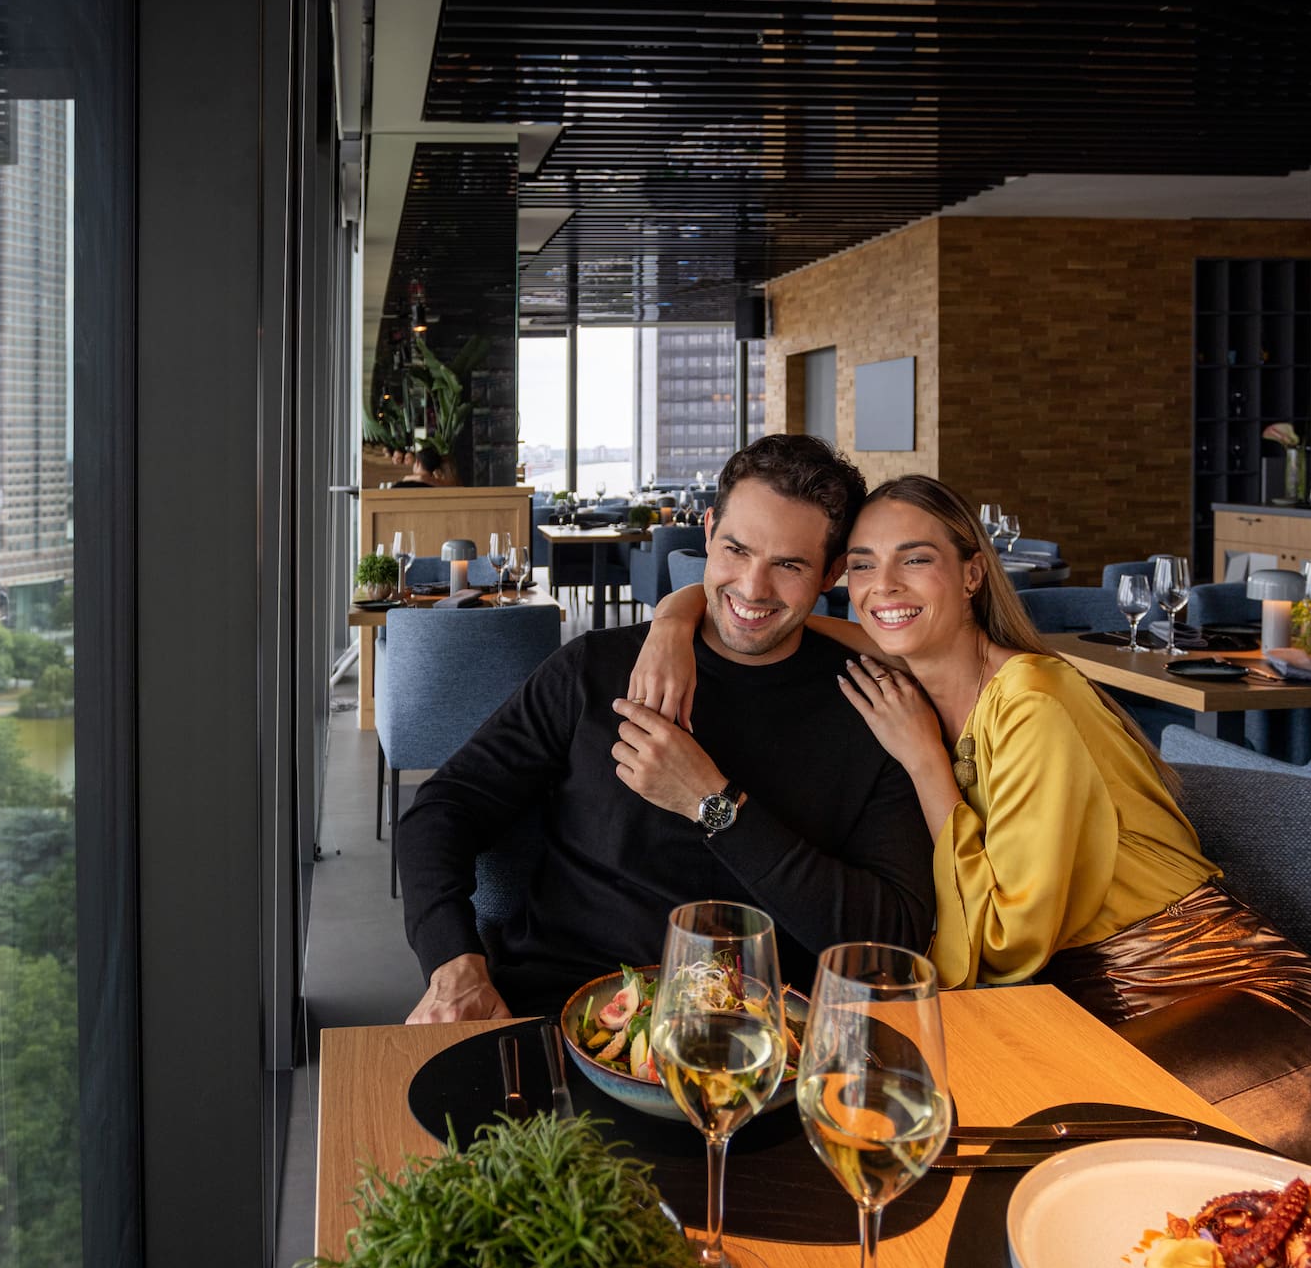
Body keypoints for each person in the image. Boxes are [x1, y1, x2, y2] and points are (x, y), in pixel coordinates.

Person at [631, 475, 1311, 1173]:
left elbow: (1004, 946)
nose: (883, 587)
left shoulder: (1030, 700)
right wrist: (671, 617)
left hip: (1239, 1008)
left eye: (913, 559)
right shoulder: (906, 672)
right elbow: (768, 619)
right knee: (882, 1121)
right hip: (1080, 1011)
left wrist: (928, 764)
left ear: (970, 573)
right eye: (861, 566)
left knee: (998, 1150)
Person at [399, 435, 934, 1024]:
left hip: (771, 1041)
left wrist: (715, 805)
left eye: (789, 565)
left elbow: (893, 937)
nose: (753, 589)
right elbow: (444, 807)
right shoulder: (593, 670)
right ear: (707, 532)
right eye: (736, 549)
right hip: (564, 1013)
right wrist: (454, 963)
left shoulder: (874, 705)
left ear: (832, 571)